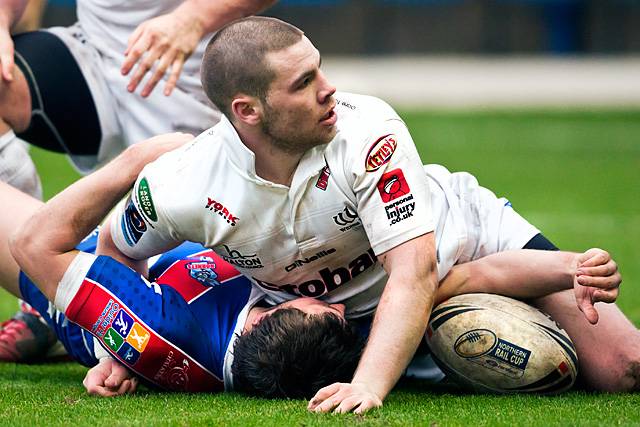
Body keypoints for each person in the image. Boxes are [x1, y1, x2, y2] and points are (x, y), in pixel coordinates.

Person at [98, 17, 638, 413]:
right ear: (248, 111)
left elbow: (414, 272)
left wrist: (370, 387)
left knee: (624, 370)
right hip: (345, 324)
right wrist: (118, 352)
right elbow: (115, 250)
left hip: (468, 246)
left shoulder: (367, 130)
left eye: (319, 69)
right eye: (303, 82)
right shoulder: (183, 182)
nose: (328, 88)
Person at [4, 135, 620, 397]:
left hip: (95, 290)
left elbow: (39, 244)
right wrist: (571, 268)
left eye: (318, 306)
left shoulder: (169, 334)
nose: (335, 305)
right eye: (334, 310)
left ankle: (42, 315)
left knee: (24, 250)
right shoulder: (337, 325)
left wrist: (132, 161)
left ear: (268, 319)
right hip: (157, 261)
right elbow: (477, 278)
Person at [0, 0, 276, 362]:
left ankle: (90, 304)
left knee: (189, 241)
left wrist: (193, 18)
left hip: (190, 68)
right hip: (95, 53)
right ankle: (45, 297)